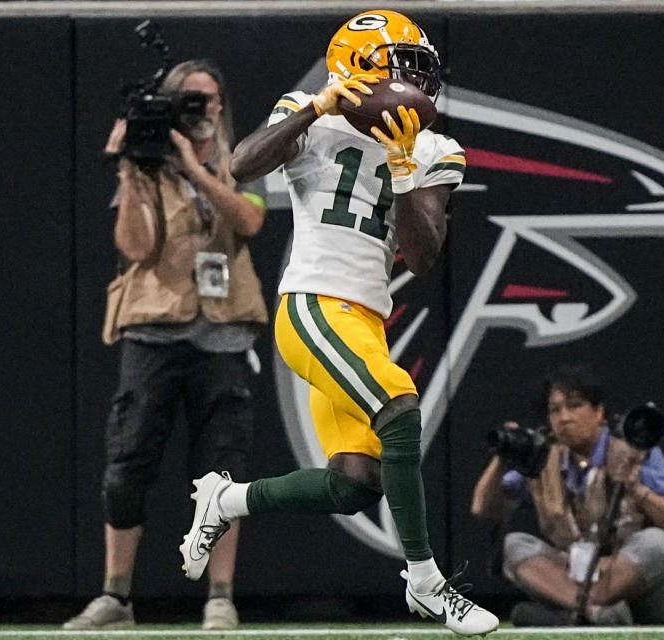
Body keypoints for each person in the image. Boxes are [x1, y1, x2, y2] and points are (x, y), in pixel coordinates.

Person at [175, 10, 499, 637]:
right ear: (358, 67)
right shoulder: (308, 108)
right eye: (401, 67)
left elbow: (424, 256)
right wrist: (318, 106)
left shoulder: (436, 149)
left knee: (355, 482)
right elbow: (242, 167)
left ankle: (227, 498)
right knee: (400, 403)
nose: (413, 82)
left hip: (366, 319)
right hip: (313, 306)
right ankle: (427, 582)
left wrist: (404, 167)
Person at [63, 59, 269, 631]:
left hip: (223, 331)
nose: (197, 111)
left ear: (221, 104)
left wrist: (196, 172)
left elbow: (251, 222)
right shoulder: (148, 164)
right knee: (126, 464)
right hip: (154, 328)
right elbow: (136, 247)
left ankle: (220, 595)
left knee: (222, 472)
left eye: (205, 100)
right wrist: (131, 170)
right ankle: (116, 595)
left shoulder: (243, 158)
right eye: (186, 101)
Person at [470, 364, 664, 626]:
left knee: (657, 543)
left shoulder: (635, 448)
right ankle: (596, 611)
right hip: (580, 574)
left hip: (646, 592)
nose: (564, 418)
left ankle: (578, 612)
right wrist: (502, 458)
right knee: (515, 545)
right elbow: (482, 508)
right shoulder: (544, 457)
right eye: (555, 410)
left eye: (574, 406)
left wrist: (637, 488)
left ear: (599, 412)